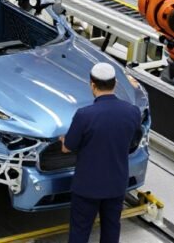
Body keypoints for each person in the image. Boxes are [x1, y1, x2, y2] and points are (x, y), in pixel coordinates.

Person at [61, 63, 143, 243]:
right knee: (112, 228)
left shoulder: (84, 115)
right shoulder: (132, 111)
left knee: (80, 231)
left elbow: (68, 147)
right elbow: (134, 141)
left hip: (87, 187)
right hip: (116, 184)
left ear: (92, 84)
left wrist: (63, 140)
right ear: (114, 84)